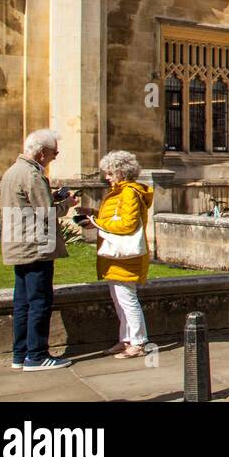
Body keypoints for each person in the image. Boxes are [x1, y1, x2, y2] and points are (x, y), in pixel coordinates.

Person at [0, 129, 79, 371]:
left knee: (22, 302)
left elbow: (28, 204)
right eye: (55, 152)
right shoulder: (33, 174)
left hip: (18, 244)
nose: (56, 156)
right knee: (39, 302)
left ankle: (20, 354)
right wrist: (68, 203)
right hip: (36, 246)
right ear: (42, 152)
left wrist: (52, 196)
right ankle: (36, 355)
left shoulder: (12, 172)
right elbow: (47, 213)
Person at [75, 151, 154, 358]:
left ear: (121, 172)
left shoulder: (129, 193)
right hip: (116, 256)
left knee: (127, 299)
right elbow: (115, 217)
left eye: (110, 173)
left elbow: (127, 224)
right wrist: (92, 214)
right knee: (119, 299)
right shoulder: (119, 192)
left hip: (126, 257)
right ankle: (126, 339)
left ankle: (138, 342)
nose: (107, 177)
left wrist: (96, 223)